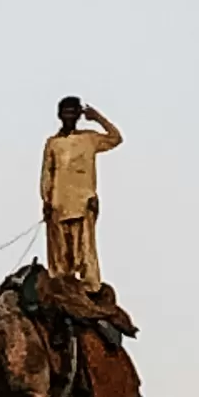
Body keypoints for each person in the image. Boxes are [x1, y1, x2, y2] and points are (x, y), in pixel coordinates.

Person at [40, 98, 122, 292]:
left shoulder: (90, 139)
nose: (69, 116)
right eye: (65, 112)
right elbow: (47, 173)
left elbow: (115, 138)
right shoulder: (53, 143)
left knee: (85, 248)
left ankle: (90, 287)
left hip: (84, 202)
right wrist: (46, 200)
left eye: (72, 112)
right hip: (58, 203)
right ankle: (61, 284)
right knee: (60, 251)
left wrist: (98, 118)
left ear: (78, 114)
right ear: (59, 115)